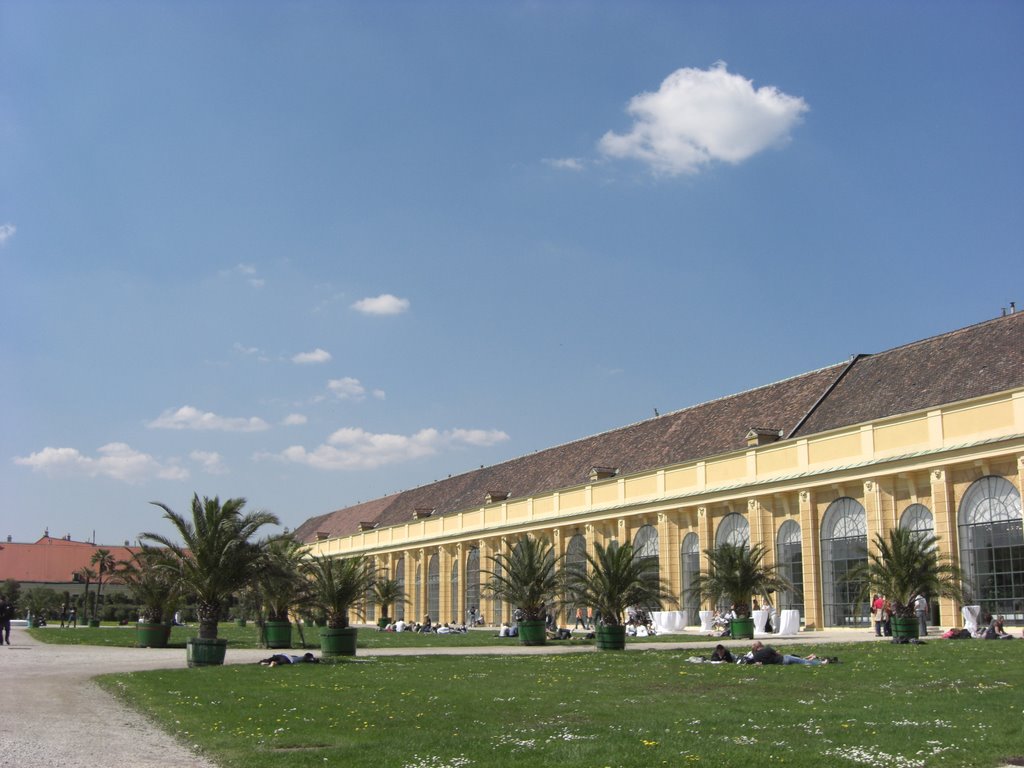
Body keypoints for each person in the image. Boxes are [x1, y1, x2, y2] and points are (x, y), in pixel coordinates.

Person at [746, 640, 835, 666]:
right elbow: (778, 654)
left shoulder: (756, 656)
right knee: (803, 662)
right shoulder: (767, 649)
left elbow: (759, 664)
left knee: (800, 660)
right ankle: (821, 663)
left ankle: (811, 658)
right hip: (784, 659)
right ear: (760, 646)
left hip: (780, 663)